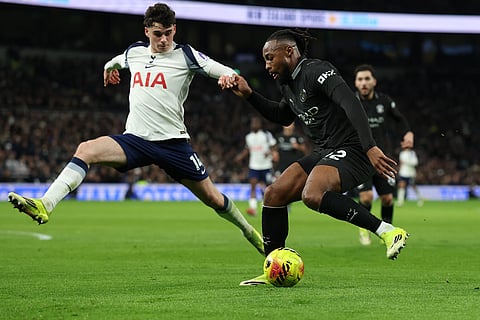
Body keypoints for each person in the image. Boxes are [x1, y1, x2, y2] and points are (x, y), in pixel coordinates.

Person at [7, 2, 264, 256]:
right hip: (135, 140)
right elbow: (116, 61)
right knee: (85, 149)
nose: (163, 39)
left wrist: (228, 76)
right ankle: (45, 204)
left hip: (173, 144)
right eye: (157, 34)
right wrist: (110, 69)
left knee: (214, 199)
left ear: (174, 29)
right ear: (146, 32)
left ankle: (250, 232)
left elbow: (226, 70)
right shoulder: (135, 52)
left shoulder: (187, 55)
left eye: (168, 33)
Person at [220, 29, 409, 285]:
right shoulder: (287, 82)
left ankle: (388, 231)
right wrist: (250, 96)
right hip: (326, 150)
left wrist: (370, 147)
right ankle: (272, 269)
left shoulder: (317, 70)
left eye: (269, 57)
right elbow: (283, 116)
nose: (266, 66)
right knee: (274, 194)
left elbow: (350, 103)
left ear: (288, 52)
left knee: (313, 194)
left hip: (354, 149)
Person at [353, 64, 414, 245]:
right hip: (360, 158)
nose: (363, 83)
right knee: (366, 197)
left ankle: (387, 231)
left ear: (374, 81)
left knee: (387, 198)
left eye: (367, 79)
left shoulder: (384, 102)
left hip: (382, 158)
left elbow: (400, 119)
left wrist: (408, 133)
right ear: (355, 83)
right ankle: (364, 228)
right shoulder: (351, 102)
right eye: (360, 79)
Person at [234, 116, 277, 216]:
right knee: (253, 186)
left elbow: (274, 146)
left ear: (260, 124)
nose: (254, 125)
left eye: (256, 123)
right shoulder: (248, 137)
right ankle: (253, 209)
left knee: (268, 188)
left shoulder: (266, 135)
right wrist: (240, 157)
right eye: (252, 123)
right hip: (254, 166)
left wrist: (270, 152)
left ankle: (266, 206)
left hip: (266, 165)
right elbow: (248, 149)